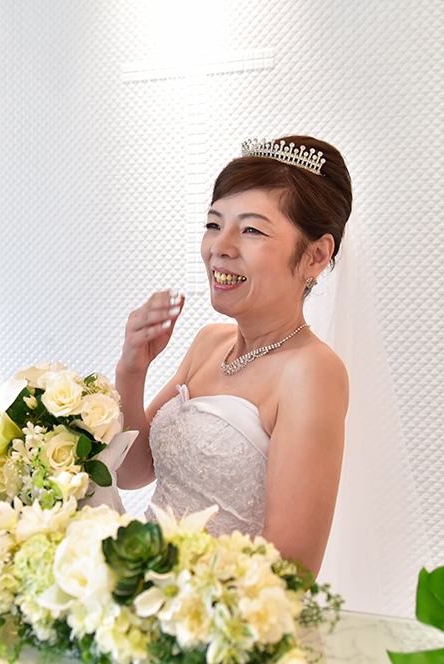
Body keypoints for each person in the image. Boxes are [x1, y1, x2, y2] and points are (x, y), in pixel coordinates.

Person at [115, 136, 352, 574]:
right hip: (142, 587)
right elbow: (130, 472)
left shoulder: (311, 372)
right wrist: (132, 369)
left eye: (251, 230)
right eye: (213, 224)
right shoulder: (210, 342)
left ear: (316, 256)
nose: (219, 247)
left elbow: (288, 571)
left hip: (215, 607)